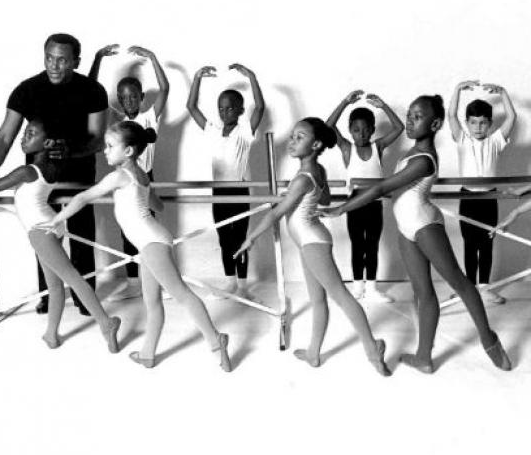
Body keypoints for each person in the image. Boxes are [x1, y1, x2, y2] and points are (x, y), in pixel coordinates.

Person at [325, 95, 511, 374]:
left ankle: (489, 339)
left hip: (425, 226)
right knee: (422, 293)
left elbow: (381, 188)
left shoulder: (424, 159)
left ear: (435, 123)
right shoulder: (408, 154)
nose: (410, 122)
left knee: (460, 283)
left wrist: (342, 209)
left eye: (417, 117)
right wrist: (360, 188)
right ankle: (424, 357)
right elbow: (391, 190)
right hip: (406, 228)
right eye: (409, 116)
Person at [40, 121, 232, 371]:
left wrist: (56, 219)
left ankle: (216, 340)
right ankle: (147, 354)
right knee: (151, 301)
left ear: (129, 151)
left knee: (181, 293)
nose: (105, 151)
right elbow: (158, 207)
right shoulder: (141, 176)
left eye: (110, 146)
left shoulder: (119, 176)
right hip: (151, 241)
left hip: (152, 243)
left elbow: (84, 196)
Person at [0, 120, 120, 351]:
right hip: (48, 226)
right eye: (24, 133)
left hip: (41, 231)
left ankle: (106, 323)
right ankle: (51, 334)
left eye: (31, 134)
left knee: (72, 279)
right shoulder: (50, 168)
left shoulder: (28, 171)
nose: (24, 138)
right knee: (55, 286)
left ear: (47, 142)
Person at [0, 33, 109, 316]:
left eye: (62, 60)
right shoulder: (27, 90)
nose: (54, 65)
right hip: (39, 177)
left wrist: (70, 150)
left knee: (81, 234)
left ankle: (85, 300)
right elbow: (3, 139)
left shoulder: (93, 90)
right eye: (49, 58)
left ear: (76, 61)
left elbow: (97, 140)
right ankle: (47, 295)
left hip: (78, 174)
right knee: (43, 235)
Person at [234, 118, 391, 375]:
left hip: (313, 243)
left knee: (341, 296)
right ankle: (313, 354)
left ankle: (373, 350)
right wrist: (303, 198)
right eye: (293, 136)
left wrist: (250, 238)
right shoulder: (316, 170)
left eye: (300, 137)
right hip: (311, 240)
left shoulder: (303, 179)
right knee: (318, 300)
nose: (292, 141)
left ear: (316, 144)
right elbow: (325, 197)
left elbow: (275, 214)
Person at [90, 45, 170, 301]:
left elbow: (165, 88)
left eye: (133, 97)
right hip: (125, 181)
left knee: (153, 230)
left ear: (141, 96)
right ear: (118, 100)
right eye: (123, 98)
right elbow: (91, 91)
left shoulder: (149, 117)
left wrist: (153, 57)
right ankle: (135, 281)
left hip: (146, 178)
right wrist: (97, 59)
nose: (128, 102)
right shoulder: (116, 119)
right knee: (129, 232)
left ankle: (162, 278)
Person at [187, 64, 265, 300]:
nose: (225, 112)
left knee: (240, 237)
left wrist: (251, 76)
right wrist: (197, 77)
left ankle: (242, 286)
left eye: (231, 108)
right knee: (223, 238)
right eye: (221, 108)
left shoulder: (245, 131)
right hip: (218, 191)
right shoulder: (212, 129)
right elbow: (191, 107)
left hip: (239, 190)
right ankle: (230, 282)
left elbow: (260, 106)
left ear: (240, 110)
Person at [326, 90, 404, 302]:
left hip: (374, 204)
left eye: (365, 130)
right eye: (356, 130)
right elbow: (328, 127)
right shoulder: (346, 148)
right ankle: (357, 287)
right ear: (350, 131)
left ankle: (372, 288)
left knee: (372, 245)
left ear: (372, 131)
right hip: (353, 205)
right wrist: (344, 102)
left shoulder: (377, 146)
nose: (361, 134)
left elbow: (399, 128)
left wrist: (383, 106)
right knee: (357, 245)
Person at [448, 80, 516, 304]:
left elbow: (512, 118)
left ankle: (485, 288)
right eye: (473, 123)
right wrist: (457, 89)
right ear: (467, 123)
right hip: (467, 197)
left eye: (483, 123)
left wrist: (503, 92)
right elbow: (451, 116)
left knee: (486, 243)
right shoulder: (463, 139)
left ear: (490, 124)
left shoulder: (496, 140)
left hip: (489, 198)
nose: (478, 128)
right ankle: (469, 288)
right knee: (469, 243)